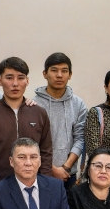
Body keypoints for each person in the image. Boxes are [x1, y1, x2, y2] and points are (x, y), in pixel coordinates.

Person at [0, 57, 53, 199]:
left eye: (21, 78)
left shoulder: (39, 113)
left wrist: (44, 187)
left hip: (33, 190)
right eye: (9, 78)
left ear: (27, 81)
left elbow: (46, 153)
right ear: (0, 80)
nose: (15, 84)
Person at [34, 52, 86, 190]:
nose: (59, 75)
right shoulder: (33, 104)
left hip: (69, 175)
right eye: (54, 70)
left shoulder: (78, 104)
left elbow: (80, 138)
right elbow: (32, 142)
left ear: (70, 74)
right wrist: (52, 169)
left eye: (64, 71)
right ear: (45, 74)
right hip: (41, 173)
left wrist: (65, 167)